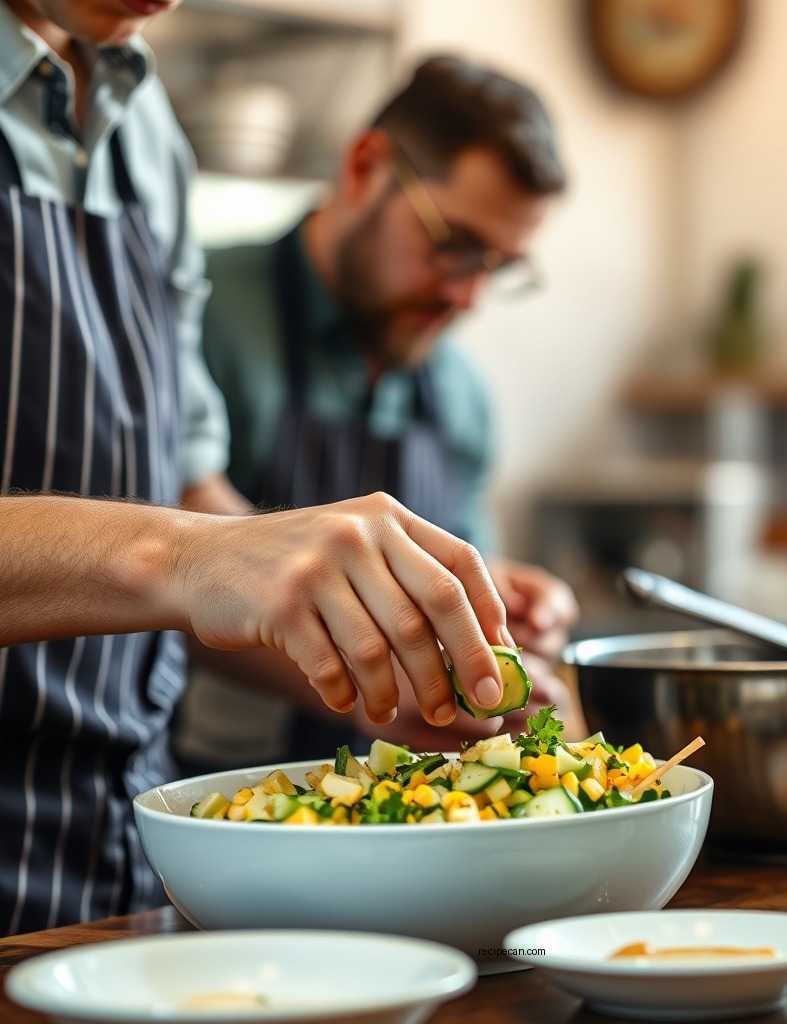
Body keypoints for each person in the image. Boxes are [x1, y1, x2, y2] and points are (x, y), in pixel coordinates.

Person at [0, 0, 520, 937]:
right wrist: (185, 557)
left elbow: (186, 473)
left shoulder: (148, 134)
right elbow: (187, 543)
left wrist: (385, 644)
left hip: (128, 852)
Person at [174, 55, 582, 768]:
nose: (467, 298)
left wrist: (501, 606)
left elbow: (454, 591)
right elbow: (150, 579)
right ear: (365, 167)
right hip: (204, 800)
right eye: (454, 245)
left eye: (497, 266)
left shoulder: (460, 395)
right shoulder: (196, 316)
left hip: (402, 820)